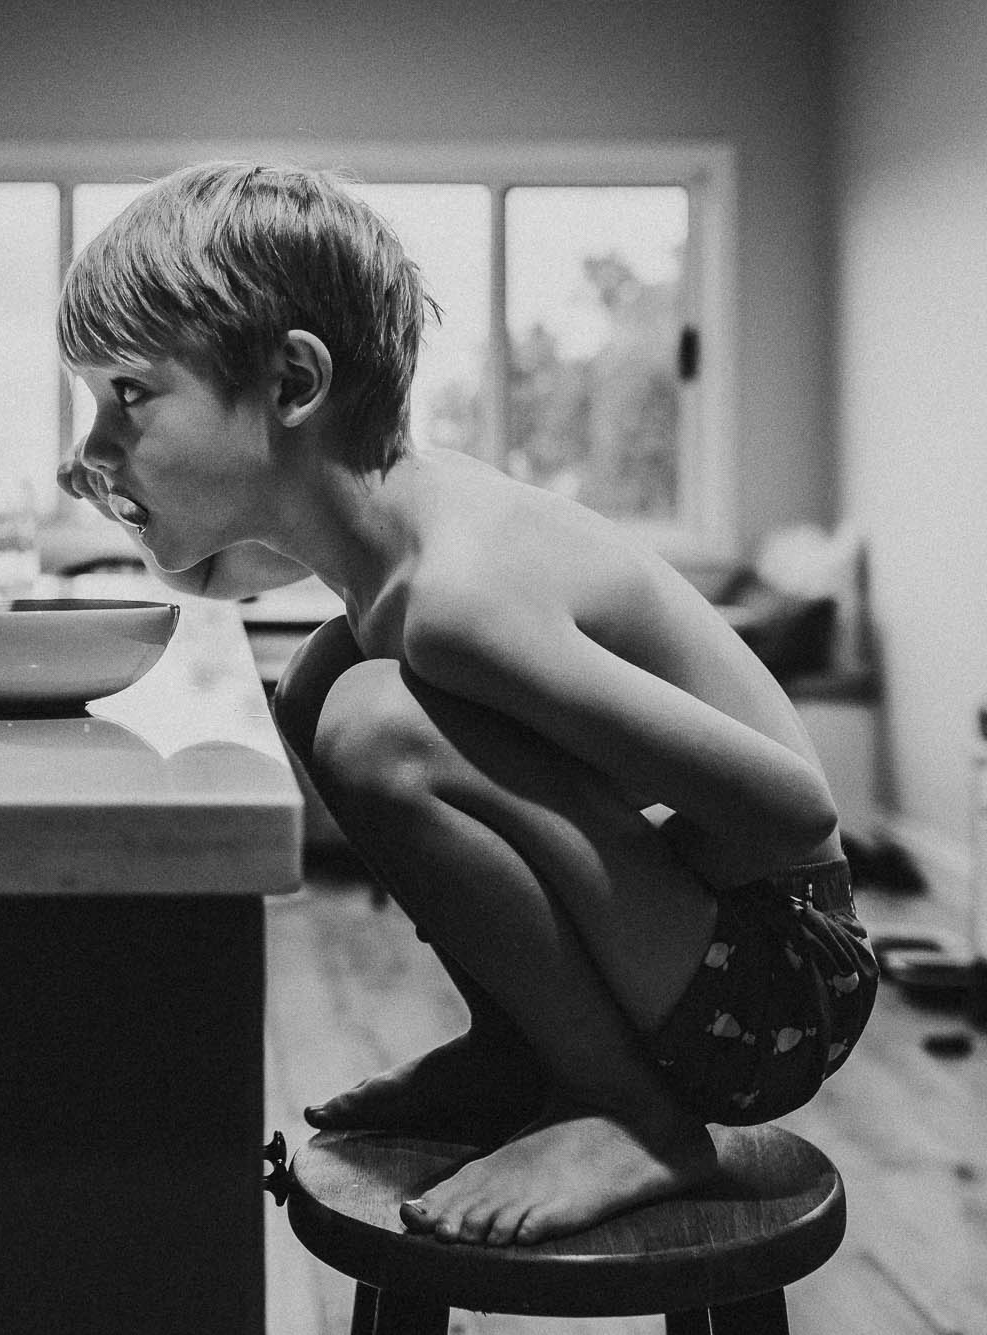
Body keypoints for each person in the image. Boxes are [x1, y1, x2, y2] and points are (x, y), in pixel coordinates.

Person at [55, 161, 878, 1248]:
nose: (96, 444)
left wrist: (619, 874)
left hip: (776, 991)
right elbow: (205, 570)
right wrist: (118, 480)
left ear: (293, 382)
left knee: (371, 727)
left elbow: (792, 810)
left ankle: (627, 1113)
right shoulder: (381, 527)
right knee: (318, 682)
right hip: (706, 960)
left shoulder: (458, 599)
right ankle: (524, 1050)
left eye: (127, 396)